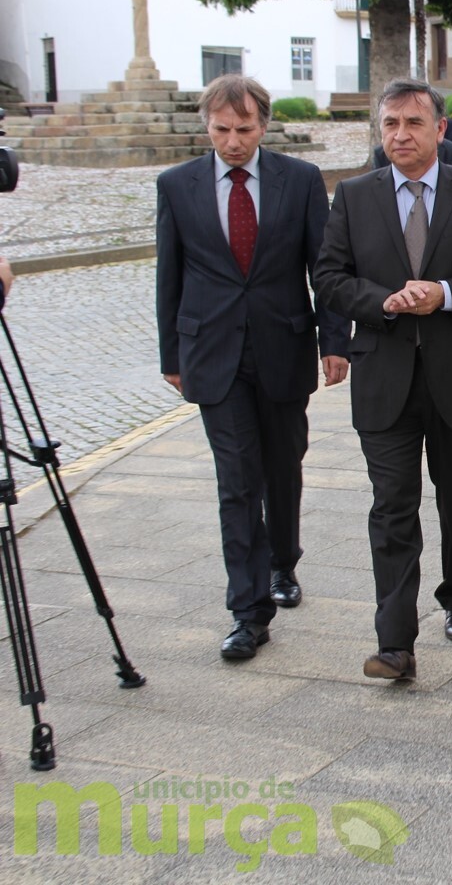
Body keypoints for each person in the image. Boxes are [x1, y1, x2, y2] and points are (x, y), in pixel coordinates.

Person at [313, 78, 452, 682]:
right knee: (391, 507)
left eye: (413, 123)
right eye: (390, 124)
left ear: (440, 128)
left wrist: (445, 294)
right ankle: (394, 644)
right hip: (384, 378)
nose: (401, 134)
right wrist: (383, 302)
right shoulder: (354, 196)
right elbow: (328, 277)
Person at [156, 73, 351, 660]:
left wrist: (334, 342)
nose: (233, 141)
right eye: (221, 130)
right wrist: (171, 355)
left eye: (243, 129)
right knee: (237, 480)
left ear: (263, 125)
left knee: (283, 467)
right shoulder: (177, 185)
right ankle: (248, 611)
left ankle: (282, 562)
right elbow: (169, 275)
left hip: (282, 347)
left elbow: (324, 268)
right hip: (212, 354)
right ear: (207, 126)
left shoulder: (300, 180)